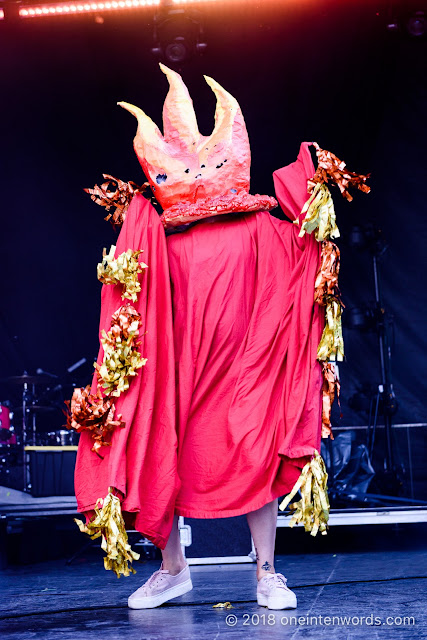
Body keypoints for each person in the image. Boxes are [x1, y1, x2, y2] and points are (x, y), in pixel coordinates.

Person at [72, 64, 358, 611]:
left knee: (257, 450)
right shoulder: (161, 239)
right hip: (181, 372)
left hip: (244, 369)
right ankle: (172, 569)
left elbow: (303, 260)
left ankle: (267, 573)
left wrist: (311, 189)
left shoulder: (258, 228)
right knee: (163, 453)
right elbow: (136, 303)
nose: (202, 168)